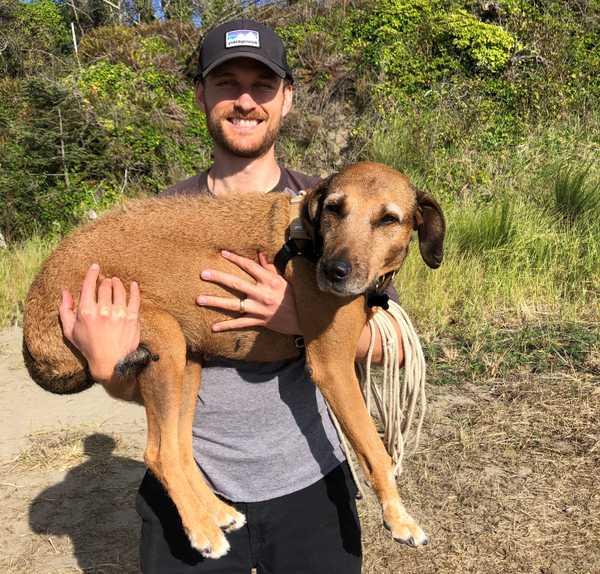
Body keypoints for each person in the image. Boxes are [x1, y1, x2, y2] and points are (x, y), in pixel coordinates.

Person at [59, 19, 404, 574]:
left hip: (310, 485)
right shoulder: (157, 221)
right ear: (201, 94)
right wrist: (107, 367)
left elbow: (395, 343)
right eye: (226, 83)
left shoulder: (339, 206)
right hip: (192, 486)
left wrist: (297, 320)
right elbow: (144, 375)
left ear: (287, 98)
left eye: (262, 86)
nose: (245, 101)